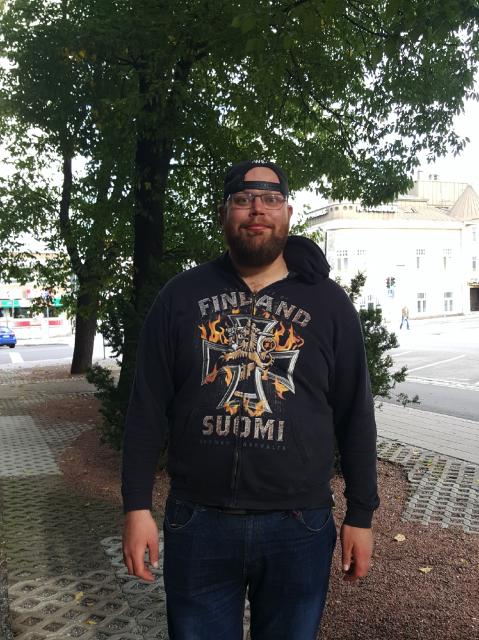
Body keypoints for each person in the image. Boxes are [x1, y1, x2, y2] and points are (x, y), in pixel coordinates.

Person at [122, 160, 379, 640]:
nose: (257, 209)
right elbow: (146, 409)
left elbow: (355, 415)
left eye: (270, 199)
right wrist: (136, 507)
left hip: (299, 526)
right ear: (224, 214)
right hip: (198, 521)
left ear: (288, 214)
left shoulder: (328, 303)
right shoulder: (181, 297)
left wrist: (361, 514)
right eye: (242, 199)